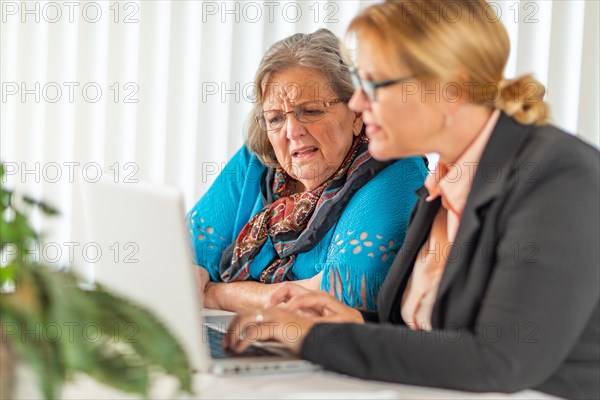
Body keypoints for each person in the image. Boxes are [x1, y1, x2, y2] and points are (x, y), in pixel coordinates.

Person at [223, 1, 600, 398]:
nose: (356, 103)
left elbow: (500, 360)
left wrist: (317, 338)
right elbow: (435, 337)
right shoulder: (445, 179)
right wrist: (351, 325)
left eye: (373, 83)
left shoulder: (559, 177)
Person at [187, 28, 428, 313]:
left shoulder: (395, 168)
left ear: (356, 114)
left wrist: (215, 295)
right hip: (248, 337)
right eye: (275, 118)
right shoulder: (258, 160)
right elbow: (183, 261)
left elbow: (335, 299)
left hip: (329, 350)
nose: (292, 132)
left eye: (311, 111)